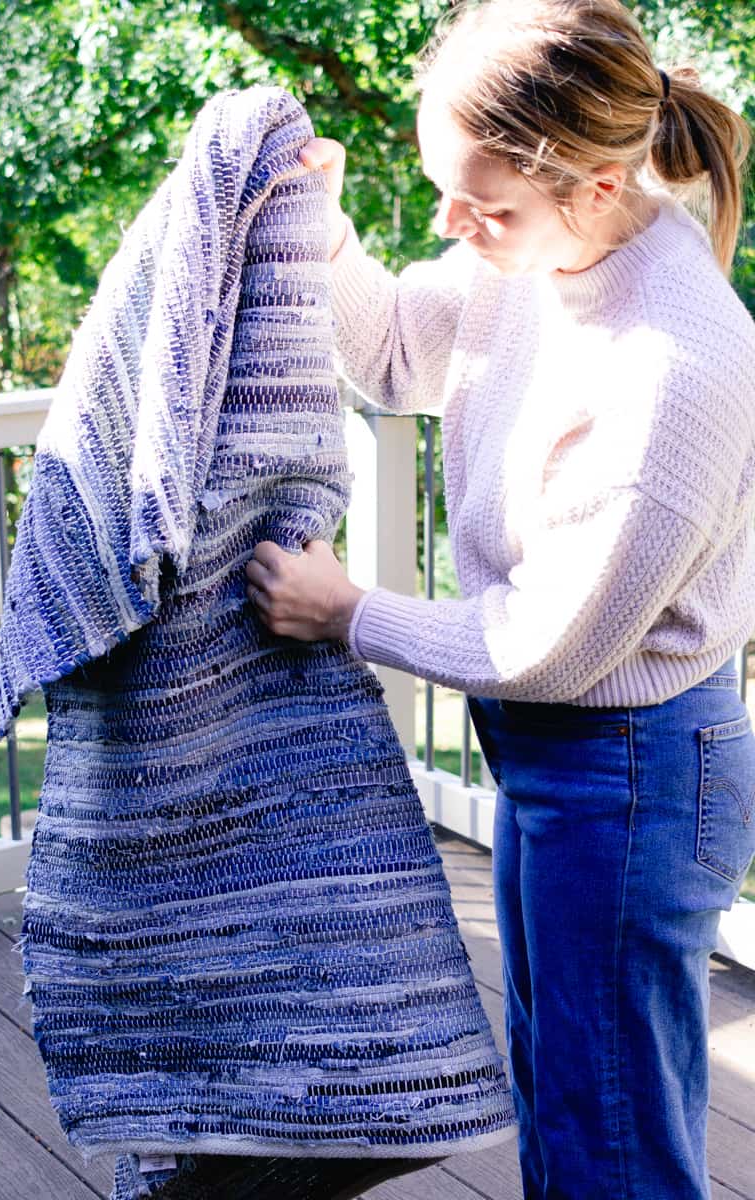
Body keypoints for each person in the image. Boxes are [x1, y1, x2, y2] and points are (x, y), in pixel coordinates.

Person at [244, 1, 755, 1196]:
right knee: (567, 1087)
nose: (450, 224)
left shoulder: (668, 367)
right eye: (440, 187)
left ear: (590, 181)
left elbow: (542, 643)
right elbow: (389, 352)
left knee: (604, 1129)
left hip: (628, 768)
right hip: (561, 762)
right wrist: (317, 232)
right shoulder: (528, 258)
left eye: (484, 203)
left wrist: (346, 610)